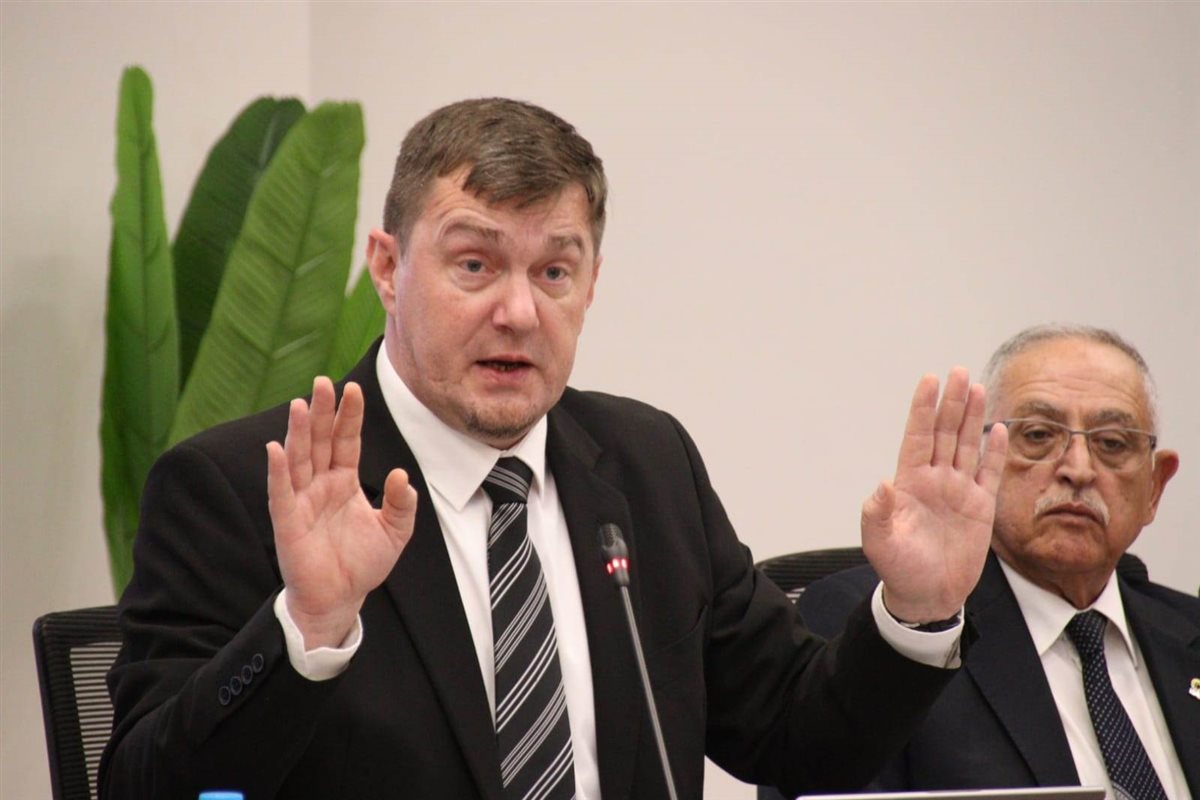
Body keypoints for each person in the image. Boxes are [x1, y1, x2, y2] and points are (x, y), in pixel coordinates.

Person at [99, 98, 1008, 800]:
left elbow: (793, 738)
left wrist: (918, 611)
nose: (519, 311)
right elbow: (147, 786)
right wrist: (307, 628)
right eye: (474, 264)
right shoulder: (239, 487)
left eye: (554, 272)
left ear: (592, 284)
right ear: (386, 267)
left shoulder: (647, 464)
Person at [799, 324, 1199, 798]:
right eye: (1038, 435)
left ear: (1154, 487)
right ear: (975, 462)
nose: (1078, 469)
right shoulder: (889, 636)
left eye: (1112, 443)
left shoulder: (1188, 630)